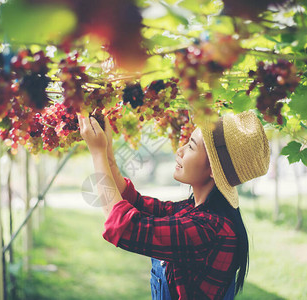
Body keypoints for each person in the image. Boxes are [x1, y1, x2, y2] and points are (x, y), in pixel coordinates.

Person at [77, 110, 270, 300]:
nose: (180, 150)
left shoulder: (208, 229)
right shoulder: (193, 210)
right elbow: (134, 202)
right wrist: (107, 152)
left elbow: (124, 226)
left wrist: (97, 153)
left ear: (213, 169)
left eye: (191, 147)